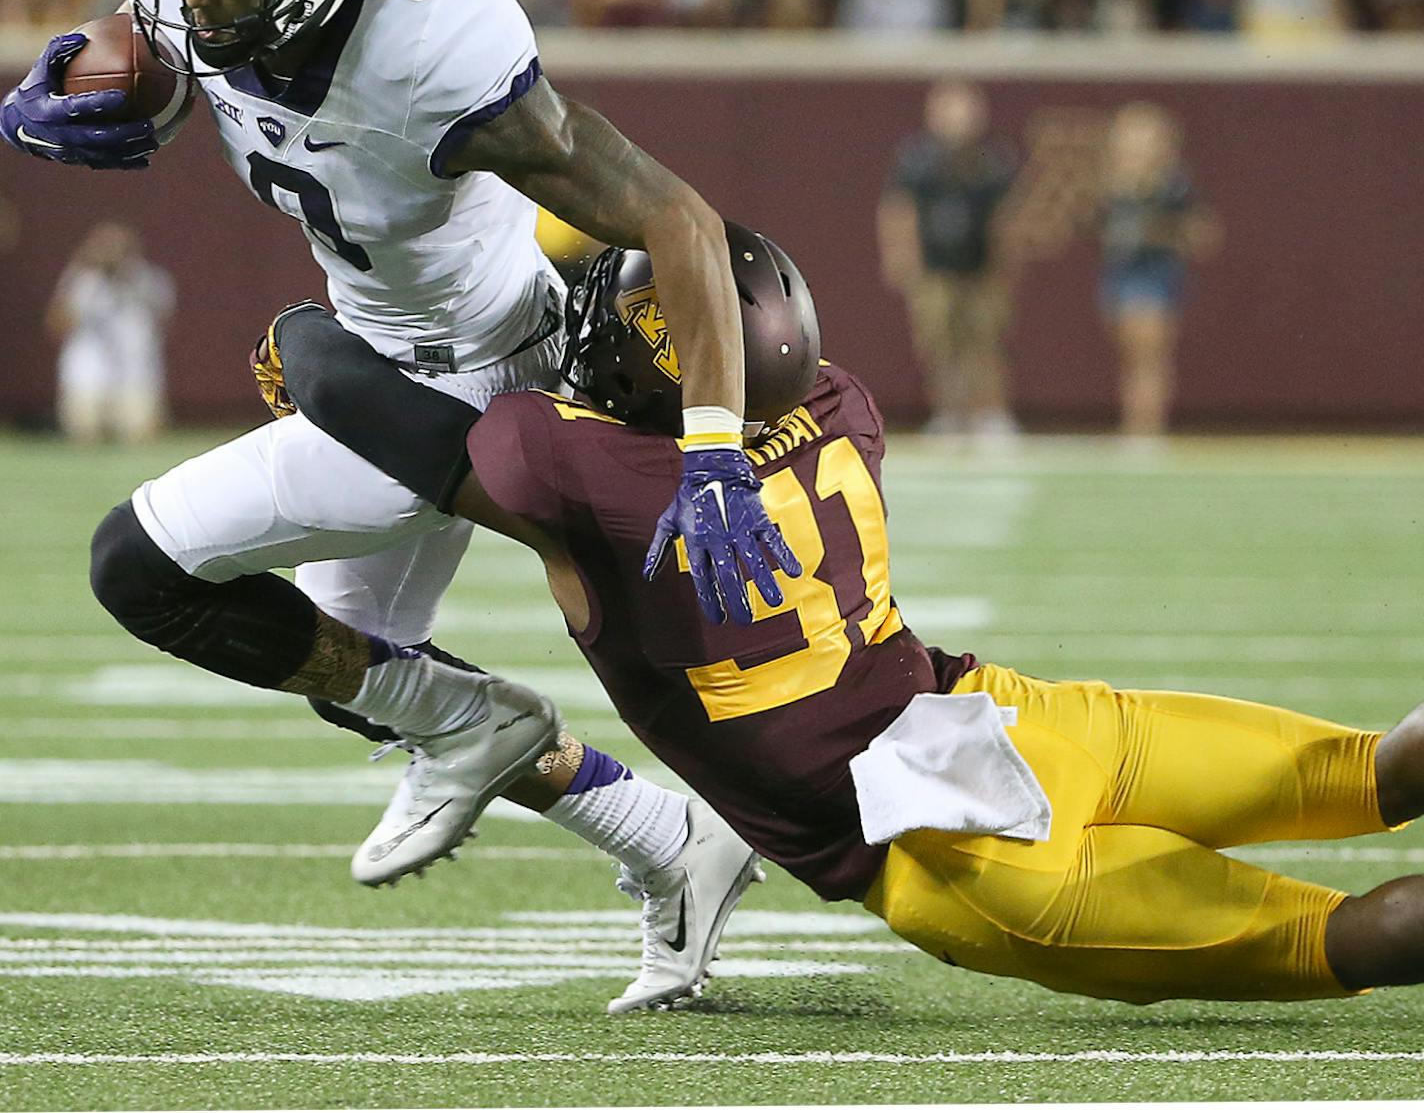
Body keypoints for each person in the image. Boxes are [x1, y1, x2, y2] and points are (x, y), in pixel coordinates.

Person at [3, 0, 790, 996]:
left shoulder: (430, 48)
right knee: (356, 673)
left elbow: (676, 217)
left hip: (470, 385)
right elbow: (170, 43)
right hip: (375, 359)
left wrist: (714, 447)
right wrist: (91, 78)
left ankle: (486, 731)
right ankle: (671, 842)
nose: (183, 3)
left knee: (138, 566)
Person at [270, 225, 1424, 1007]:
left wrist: (298, 335)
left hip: (941, 854)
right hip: (1009, 717)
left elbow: (366, 407)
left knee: (1336, 937)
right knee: (1373, 771)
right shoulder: (835, 398)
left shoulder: (569, 472)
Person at [877, 79, 1018, 442]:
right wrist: (901, 255)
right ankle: (949, 412)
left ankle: (990, 413)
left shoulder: (992, 160)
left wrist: (1006, 263)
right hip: (935, 267)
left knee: (984, 340)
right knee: (939, 342)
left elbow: (1007, 216)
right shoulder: (918, 159)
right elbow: (899, 208)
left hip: (980, 265)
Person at [1097, 101, 1220, 439]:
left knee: (1149, 354)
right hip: (1121, 274)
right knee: (1130, 355)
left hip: (1154, 274)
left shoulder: (1172, 186)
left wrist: (1163, 232)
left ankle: (1146, 428)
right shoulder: (1112, 187)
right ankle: (1135, 424)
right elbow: (1100, 230)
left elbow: (1202, 234)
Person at [46, 221, 175, 443]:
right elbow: (57, 324)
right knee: (84, 429)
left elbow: (163, 319)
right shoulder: (82, 281)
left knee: (139, 431)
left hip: (134, 368)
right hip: (89, 368)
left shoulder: (147, 279)